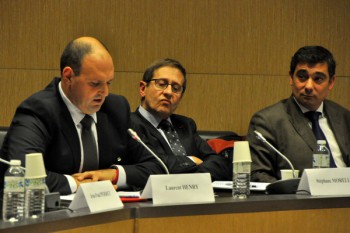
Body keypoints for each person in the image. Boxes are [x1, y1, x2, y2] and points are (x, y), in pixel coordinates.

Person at [0, 37, 164, 195]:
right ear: (68, 76)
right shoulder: (38, 110)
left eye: (108, 83)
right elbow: (23, 173)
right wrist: (77, 184)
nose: (105, 93)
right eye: (95, 84)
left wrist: (111, 174)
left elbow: (156, 165)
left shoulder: (116, 108)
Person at [247, 45, 350, 183]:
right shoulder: (268, 121)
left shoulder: (344, 118)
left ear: (331, 82)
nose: (308, 86)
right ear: (291, 78)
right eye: (302, 77)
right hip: (300, 201)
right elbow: (257, 174)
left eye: (318, 79)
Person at [130, 58, 232, 181]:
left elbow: (219, 163)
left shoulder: (185, 125)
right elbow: (153, 165)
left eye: (176, 88)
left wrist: (189, 180)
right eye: (161, 84)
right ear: (143, 88)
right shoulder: (130, 125)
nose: (168, 92)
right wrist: (192, 161)